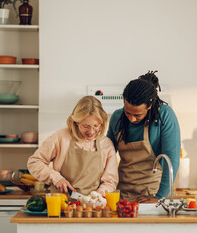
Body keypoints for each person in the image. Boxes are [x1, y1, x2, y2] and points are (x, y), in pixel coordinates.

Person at [107, 71, 181, 203]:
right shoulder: (117, 118)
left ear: (150, 106)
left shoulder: (164, 115)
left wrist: (159, 197)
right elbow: (107, 156)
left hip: (152, 193)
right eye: (127, 112)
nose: (131, 118)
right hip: (122, 193)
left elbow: (172, 158)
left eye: (138, 115)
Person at [27, 96, 118, 196]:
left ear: (102, 123)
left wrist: (99, 194)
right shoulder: (61, 137)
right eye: (86, 126)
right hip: (62, 204)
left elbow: (110, 181)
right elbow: (34, 162)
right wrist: (56, 178)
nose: (91, 131)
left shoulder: (106, 144)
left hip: (92, 207)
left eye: (96, 126)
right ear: (76, 122)